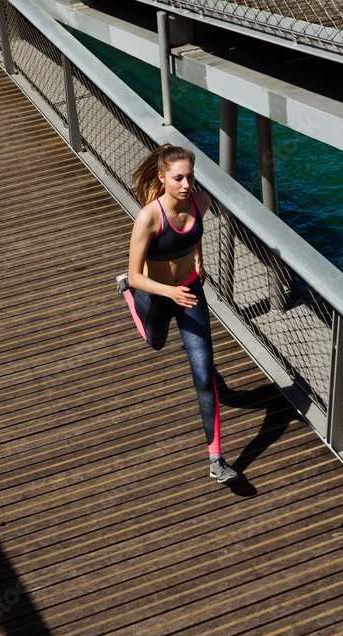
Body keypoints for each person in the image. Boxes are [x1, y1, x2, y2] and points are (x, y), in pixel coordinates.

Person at [116, 144, 240, 485]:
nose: (186, 184)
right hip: (155, 294)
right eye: (178, 178)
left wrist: (198, 260)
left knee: (204, 377)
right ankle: (128, 299)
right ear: (162, 177)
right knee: (155, 342)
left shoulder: (201, 202)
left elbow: (195, 233)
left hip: (189, 293)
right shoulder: (149, 217)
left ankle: (216, 459)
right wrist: (166, 291)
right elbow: (136, 273)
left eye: (190, 177)